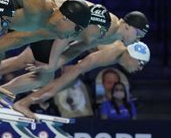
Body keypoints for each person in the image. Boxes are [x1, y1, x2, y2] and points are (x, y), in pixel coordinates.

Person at [12, 41, 150, 119]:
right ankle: (21, 102)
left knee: (60, 79)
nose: (141, 69)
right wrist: (51, 91)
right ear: (132, 56)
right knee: (50, 78)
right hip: (59, 42)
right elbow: (78, 68)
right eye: (141, 64)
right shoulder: (112, 53)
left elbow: (81, 62)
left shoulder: (116, 51)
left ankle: (4, 94)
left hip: (68, 45)